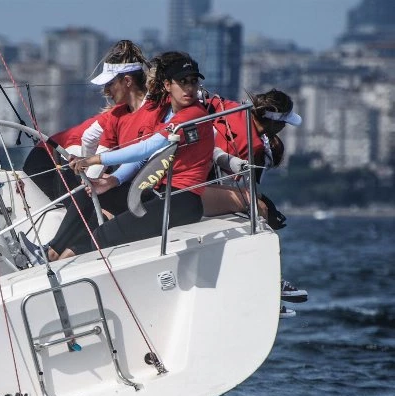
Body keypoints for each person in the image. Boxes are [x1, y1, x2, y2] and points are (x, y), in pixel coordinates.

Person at [57, 51, 214, 257]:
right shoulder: (165, 113)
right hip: (156, 192)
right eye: (182, 82)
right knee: (89, 193)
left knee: (104, 235)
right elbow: (144, 158)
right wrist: (112, 181)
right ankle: (52, 251)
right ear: (168, 85)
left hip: (181, 200)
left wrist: (94, 159)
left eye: (193, 82)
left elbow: (146, 148)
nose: (189, 88)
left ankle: (69, 260)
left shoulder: (192, 114)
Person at [21, 40, 151, 262]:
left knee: (91, 192)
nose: (106, 91)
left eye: (110, 84)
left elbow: (144, 155)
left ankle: (51, 252)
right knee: (89, 190)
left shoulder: (152, 111)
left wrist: (110, 180)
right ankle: (59, 255)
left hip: (147, 187)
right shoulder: (117, 115)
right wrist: (90, 178)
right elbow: (99, 145)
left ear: (127, 81)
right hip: (126, 183)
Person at [201, 89, 308, 309]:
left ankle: (261, 282)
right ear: (273, 122)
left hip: (193, 181)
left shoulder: (233, 108)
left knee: (258, 204)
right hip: (195, 190)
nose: (284, 127)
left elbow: (210, 99)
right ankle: (269, 282)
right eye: (283, 122)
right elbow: (232, 184)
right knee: (260, 211)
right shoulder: (252, 144)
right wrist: (260, 202)